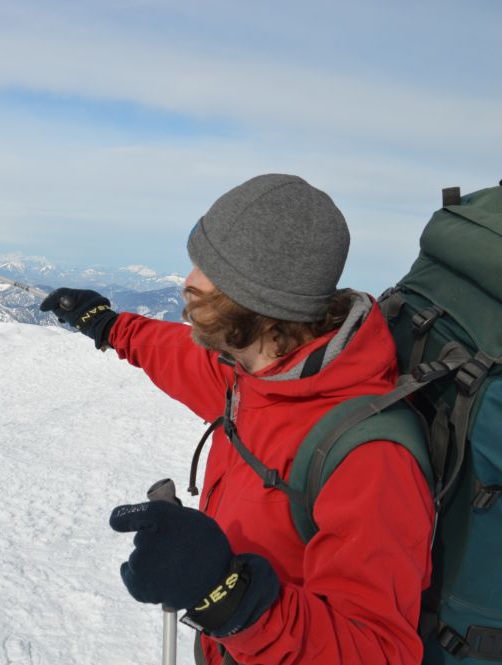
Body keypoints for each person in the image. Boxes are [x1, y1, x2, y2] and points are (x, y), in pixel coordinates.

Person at [41, 174, 434, 664]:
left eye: (210, 272)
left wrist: (229, 597)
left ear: (262, 302)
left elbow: (376, 651)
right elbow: (174, 354)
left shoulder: (368, 457)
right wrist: (106, 324)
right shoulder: (256, 374)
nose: (188, 281)